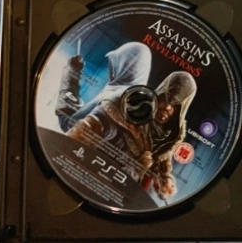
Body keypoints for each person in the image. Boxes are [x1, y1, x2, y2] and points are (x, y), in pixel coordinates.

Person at [68, 71, 197, 201]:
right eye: (165, 99)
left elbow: (161, 158)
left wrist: (165, 178)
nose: (167, 107)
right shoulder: (126, 105)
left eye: (175, 106)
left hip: (118, 195)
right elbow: (88, 127)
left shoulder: (168, 137)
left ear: (180, 111)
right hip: (87, 177)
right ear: (158, 94)